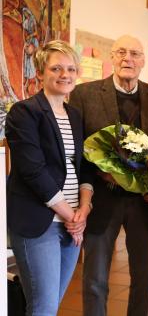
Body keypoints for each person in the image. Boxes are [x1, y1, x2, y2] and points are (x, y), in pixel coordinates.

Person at [69, 35, 148, 316]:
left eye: (135, 54)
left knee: (145, 278)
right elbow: (79, 150)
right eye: (122, 52)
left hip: (145, 201)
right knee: (95, 279)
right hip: (103, 198)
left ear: (143, 60)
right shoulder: (84, 94)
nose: (128, 59)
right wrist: (99, 177)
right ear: (112, 57)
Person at [6, 40, 92, 315]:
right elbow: (33, 171)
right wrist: (71, 216)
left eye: (70, 68)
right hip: (39, 223)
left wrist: (84, 209)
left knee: (50, 305)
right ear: (40, 73)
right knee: (42, 307)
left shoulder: (75, 116)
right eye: (56, 68)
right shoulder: (24, 112)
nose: (64, 74)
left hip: (70, 223)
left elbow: (84, 166)